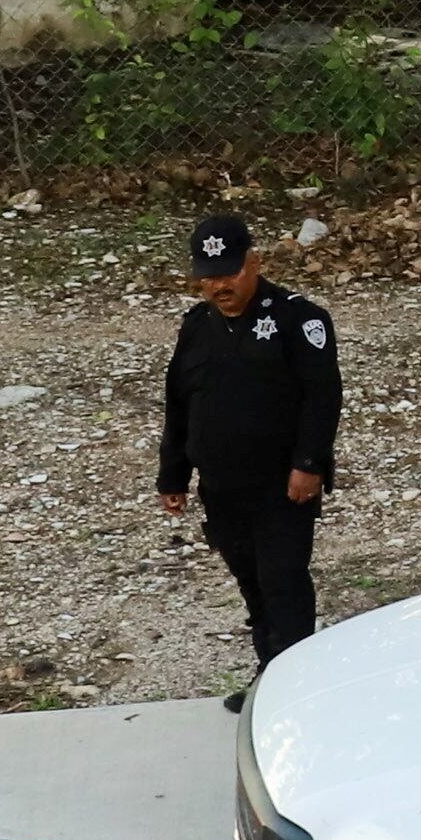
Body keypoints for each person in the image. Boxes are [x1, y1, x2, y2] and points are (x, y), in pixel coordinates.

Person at [159, 210, 340, 665]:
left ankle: (296, 680)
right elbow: (180, 402)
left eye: (229, 273)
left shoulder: (299, 320)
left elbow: (323, 398)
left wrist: (310, 464)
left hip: (281, 485)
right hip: (221, 485)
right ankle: (269, 673)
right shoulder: (197, 327)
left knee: (283, 579)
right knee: (252, 583)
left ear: (254, 263)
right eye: (208, 277)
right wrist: (173, 475)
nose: (219, 286)